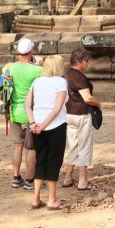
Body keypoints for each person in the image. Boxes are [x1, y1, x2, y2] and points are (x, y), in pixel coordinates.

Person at [24, 54, 70, 210]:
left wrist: (33, 123)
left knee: (41, 159)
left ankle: (36, 198)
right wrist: (42, 125)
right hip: (55, 125)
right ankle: (52, 199)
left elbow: (27, 105)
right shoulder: (61, 82)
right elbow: (57, 108)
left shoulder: (37, 82)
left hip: (37, 125)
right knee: (54, 161)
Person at [5, 38, 44, 190]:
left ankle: (16, 177)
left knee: (17, 146)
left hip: (14, 112)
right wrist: (38, 63)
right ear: (31, 52)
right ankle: (29, 180)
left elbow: (5, 78)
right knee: (31, 148)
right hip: (32, 113)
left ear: (17, 53)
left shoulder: (9, 67)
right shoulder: (37, 70)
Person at [61, 48, 100, 190]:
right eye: (86, 61)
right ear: (79, 61)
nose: (87, 64)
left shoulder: (66, 75)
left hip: (68, 114)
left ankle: (68, 177)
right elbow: (87, 98)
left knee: (73, 145)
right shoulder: (79, 76)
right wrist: (98, 104)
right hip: (81, 114)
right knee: (84, 146)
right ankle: (83, 181)